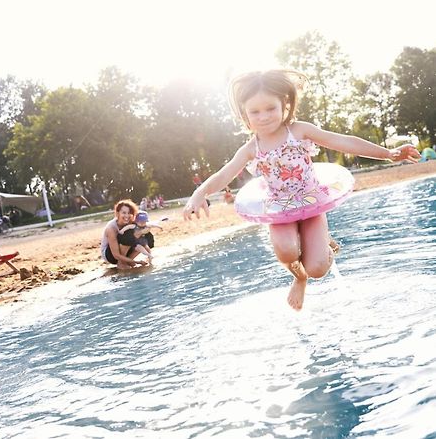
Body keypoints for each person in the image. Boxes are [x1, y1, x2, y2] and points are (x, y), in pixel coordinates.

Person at [183, 69, 420, 311]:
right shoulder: (251, 149)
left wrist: (388, 154)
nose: (263, 116)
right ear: (245, 114)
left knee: (317, 268)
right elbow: (224, 174)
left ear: (284, 104)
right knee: (286, 252)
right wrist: (199, 193)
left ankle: (323, 248)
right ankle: (299, 277)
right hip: (280, 207)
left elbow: (343, 141)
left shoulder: (298, 131)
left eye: (270, 108)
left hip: (310, 201)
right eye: (255, 111)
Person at [101, 199, 143, 269]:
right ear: (117, 213)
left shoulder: (131, 222)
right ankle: (122, 263)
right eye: (124, 213)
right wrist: (136, 262)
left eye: (129, 213)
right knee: (128, 236)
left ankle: (127, 261)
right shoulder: (111, 228)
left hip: (122, 250)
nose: (127, 216)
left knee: (143, 235)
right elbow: (116, 255)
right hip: (110, 256)